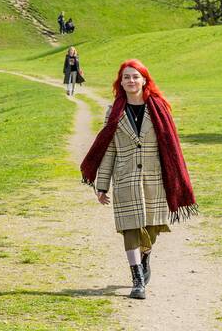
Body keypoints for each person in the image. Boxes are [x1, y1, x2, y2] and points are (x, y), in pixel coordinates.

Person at [80, 59, 197, 300]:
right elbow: (108, 149)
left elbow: (171, 147)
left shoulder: (160, 108)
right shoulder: (114, 112)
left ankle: (145, 257)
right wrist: (102, 185)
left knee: (151, 229)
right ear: (120, 83)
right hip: (125, 178)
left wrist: (174, 180)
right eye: (126, 77)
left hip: (155, 178)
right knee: (130, 228)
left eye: (135, 76)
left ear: (144, 79)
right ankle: (137, 279)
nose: (131, 81)